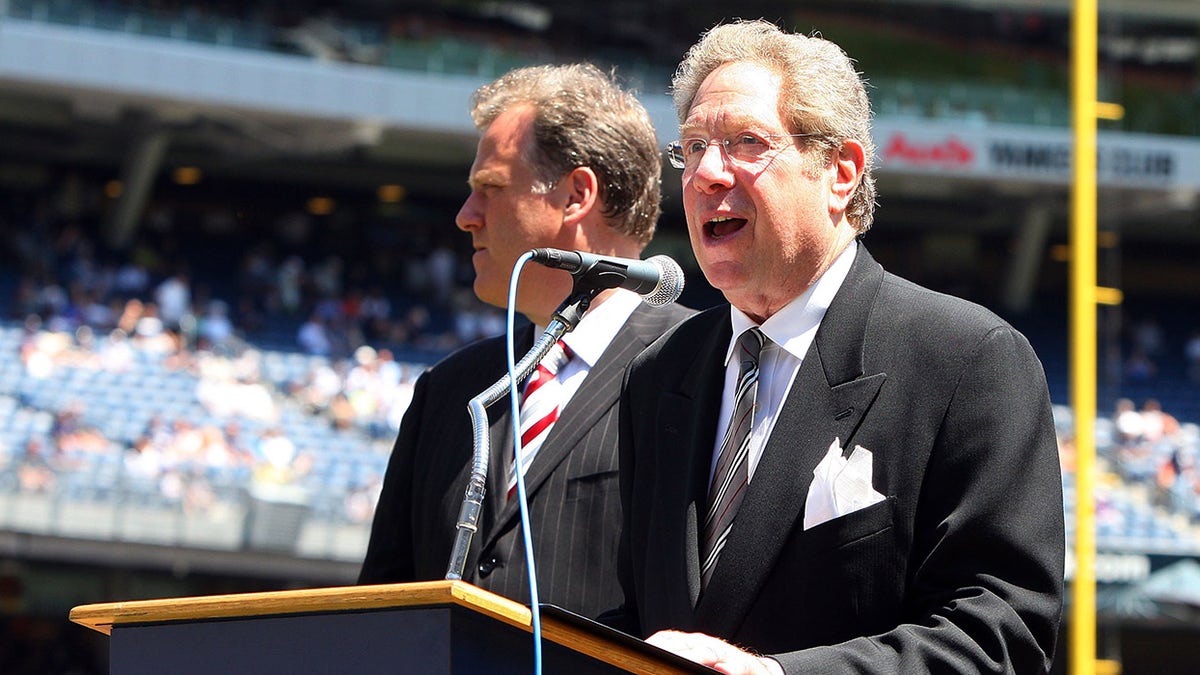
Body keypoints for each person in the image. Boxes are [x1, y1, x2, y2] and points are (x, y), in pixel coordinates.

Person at [612, 20, 1064, 673]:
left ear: (841, 171)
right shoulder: (659, 374)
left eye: (746, 142)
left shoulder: (968, 359)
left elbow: (1001, 633)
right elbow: (639, 614)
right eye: (692, 146)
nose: (707, 173)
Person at [357, 63, 694, 620]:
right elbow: (378, 609)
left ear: (576, 195)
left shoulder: (701, 369)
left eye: (490, 189)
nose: (466, 217)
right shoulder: (447, 391)